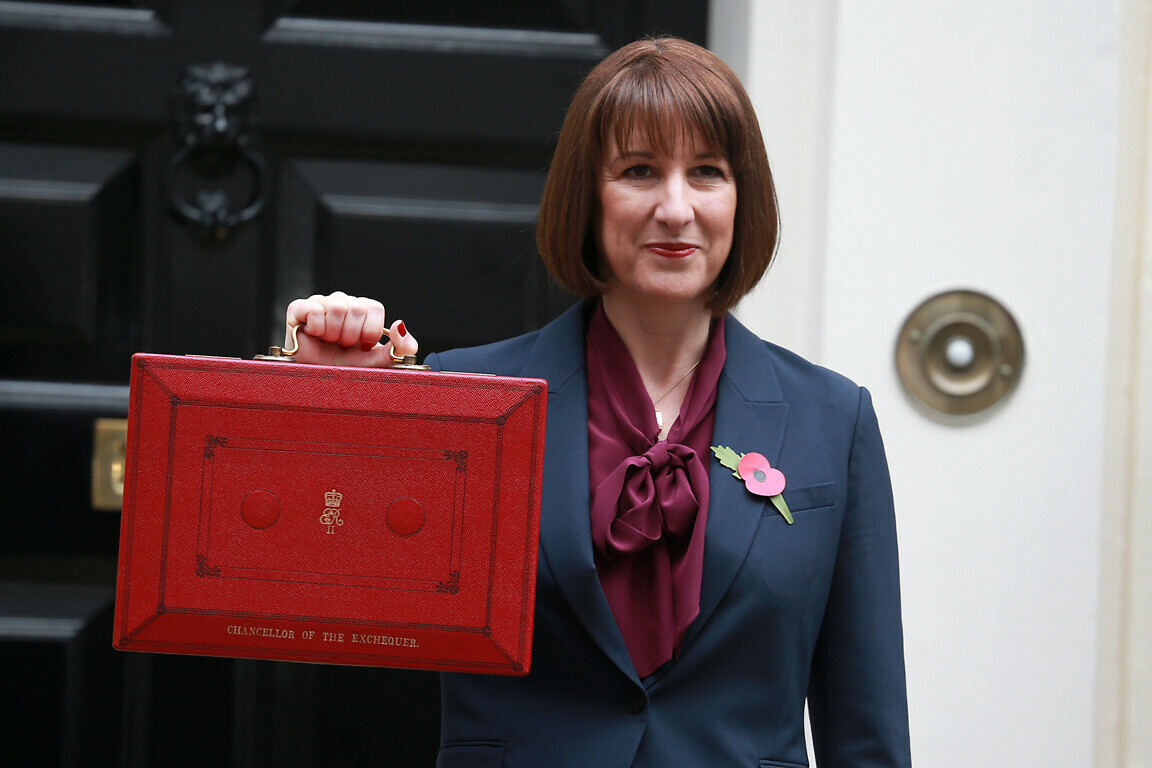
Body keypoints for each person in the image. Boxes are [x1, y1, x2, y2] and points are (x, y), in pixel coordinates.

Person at [286, 36, 910, 768]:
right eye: (640, 171)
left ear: (742, 198)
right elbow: (309, 583)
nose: (675, 208)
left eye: (706, 172)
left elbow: (864, 730)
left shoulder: (833, 421)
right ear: (589, 197)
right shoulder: (468, 400)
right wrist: (324, 399)